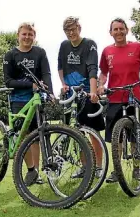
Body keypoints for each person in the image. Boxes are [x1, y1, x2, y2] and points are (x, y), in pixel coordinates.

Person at [97, 17, 140, 183]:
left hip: (134, 98)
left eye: (121, 29)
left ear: (127, 30)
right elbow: (104, 74)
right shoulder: (107, 52)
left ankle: (136, 169)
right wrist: (100, 85)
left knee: (135, 136)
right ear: (110, 32)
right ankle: (117, 171)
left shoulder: (137, 47)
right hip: (114, 98)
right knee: (116, 138)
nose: (119, 32)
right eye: (115, 29)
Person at [3, 22, 54, 186]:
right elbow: (8, 81)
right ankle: (31, 169)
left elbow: (46, 74)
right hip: (18, 100)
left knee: (36, 136)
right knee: (23, 136)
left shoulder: (40, 52)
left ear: (34, 37)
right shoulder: (10, 55)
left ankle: (36, 173)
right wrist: (29, 85)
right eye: (24, 34)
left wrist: (50, 92)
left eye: (30, 35)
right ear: (18, 35)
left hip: (37, 99)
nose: (27, 37)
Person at [58, 16, 105, 178]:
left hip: (86, 92)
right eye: (67, 30)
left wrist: (93, 92)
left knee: (93, 132)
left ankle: (98, 167)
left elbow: (93, 69)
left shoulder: (89, 44)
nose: (71, 33)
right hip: (71, 96)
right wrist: (63, 84)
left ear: (79, 27)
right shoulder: (64, 46)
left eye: (73, 29)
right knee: (75, 133)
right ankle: (84, 167)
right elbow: (60, 67)